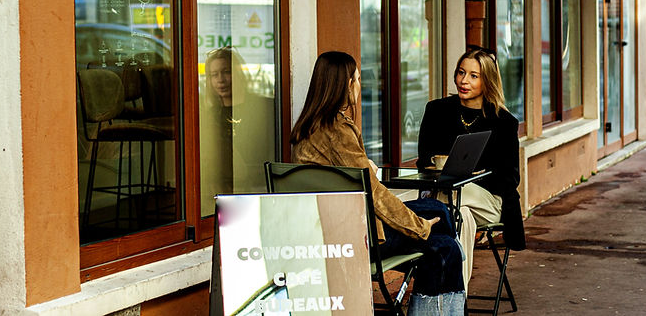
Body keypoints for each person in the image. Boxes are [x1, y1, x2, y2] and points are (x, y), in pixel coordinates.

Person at [292, 51, 465, 315]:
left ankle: (452, 263)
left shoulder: (307, 127)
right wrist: (419, 228)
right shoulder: (337, 130)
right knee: (444, 248)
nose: (360, 85)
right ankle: (454, 268)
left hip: (325, 229)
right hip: (357, 236)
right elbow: (373, 194)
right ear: (346, 85)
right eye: (358, 79)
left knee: (438, 209)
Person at [417, 46, 526, 294]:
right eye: (460, 72)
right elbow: (423, 162)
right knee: (462, 215)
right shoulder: (437, 111)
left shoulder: (503, 122)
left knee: (452, 199)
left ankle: (436, 290)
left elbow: (511, 179)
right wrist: (436, 166)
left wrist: (477, 176)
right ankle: (457, 298)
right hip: (452, 198)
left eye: (474, 76)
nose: (464, 81)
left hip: (490, 202)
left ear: (487, 81)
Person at [199, 47, 274, 211]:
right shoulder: (208, 116)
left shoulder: (263, 108)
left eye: (226, 72)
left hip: (259, 192)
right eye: (214, 75)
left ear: (237, 74)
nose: (221, 80)